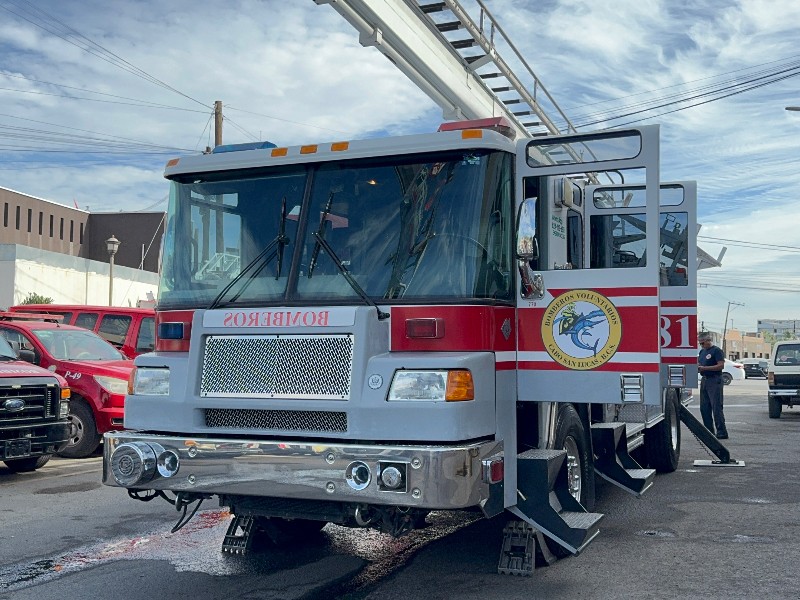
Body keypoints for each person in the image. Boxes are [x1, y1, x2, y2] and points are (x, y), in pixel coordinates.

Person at [698, 333, 728, 439]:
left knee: (716, 407)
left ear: (708, 340)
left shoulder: (716, 351)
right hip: (705, 380)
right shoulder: (702, 352)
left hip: (715, 380)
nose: (701, 345)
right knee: (704, 408)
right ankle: (709, 431)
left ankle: (721, 431)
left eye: (702, 343)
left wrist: (705, 368)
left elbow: (721, 365)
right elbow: (700, 363)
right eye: (700, 343)